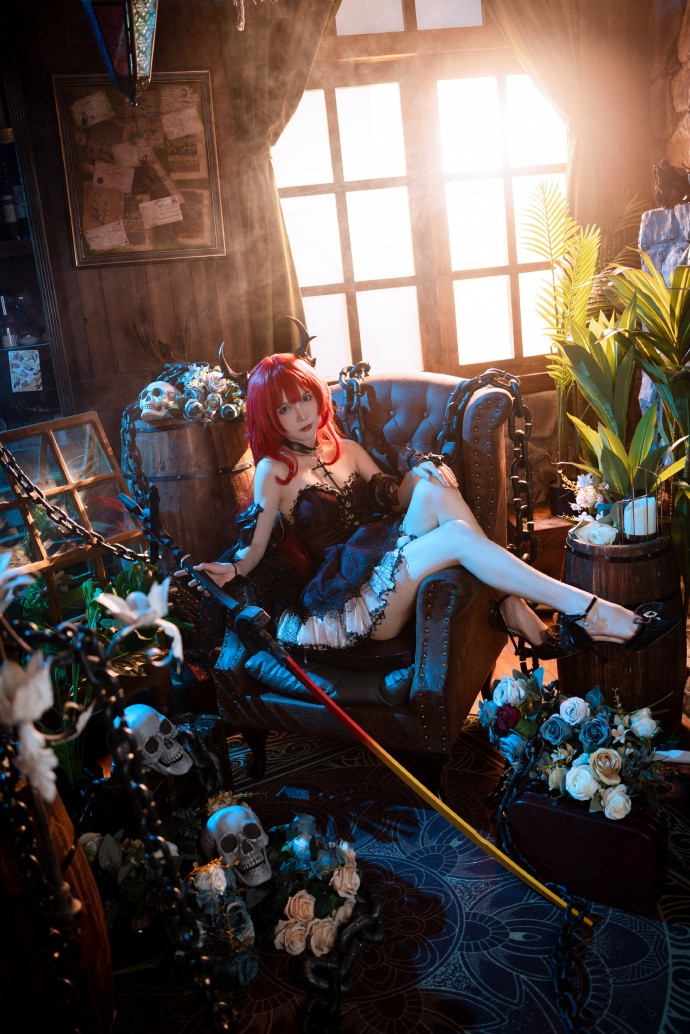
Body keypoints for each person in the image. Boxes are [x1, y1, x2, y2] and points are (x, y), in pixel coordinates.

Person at [178, 353, 677, 658]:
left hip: (382, 558)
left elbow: (396, 498)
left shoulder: (346, 449)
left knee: (435, 487)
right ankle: (583, 610)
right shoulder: (274, 470)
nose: (300, 414)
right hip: (346, 602)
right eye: (284, 408)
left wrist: (422, 468)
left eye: (304, 398)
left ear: (316, 395)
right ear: (270, 417)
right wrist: (231, 569)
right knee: (457, 535)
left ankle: (520, 606)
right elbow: (256, 547)